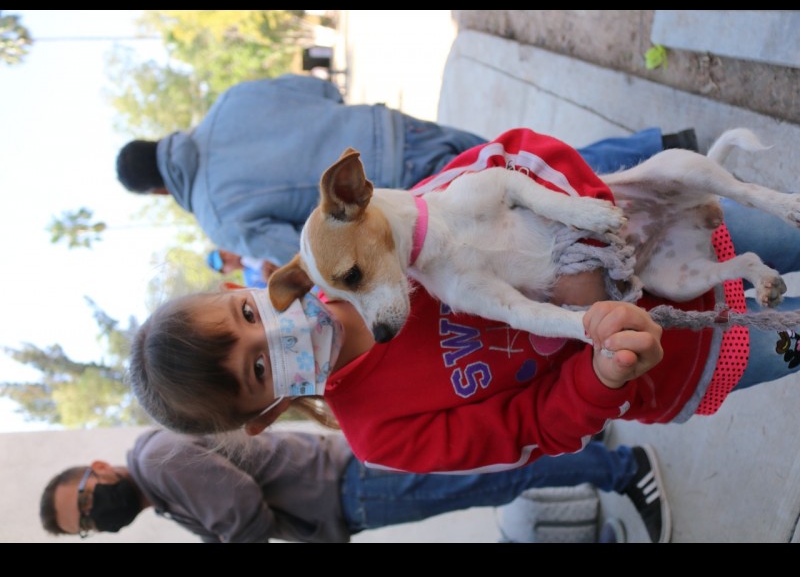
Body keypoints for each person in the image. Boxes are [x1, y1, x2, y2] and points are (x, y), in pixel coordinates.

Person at [126, 128, 800, 536]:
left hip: (682, 229)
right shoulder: (381, 435)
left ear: (242, 290)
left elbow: (514, 161)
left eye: (248, 317)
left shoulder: (369, 239)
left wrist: (586, 244)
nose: (273, 337)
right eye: (257, 370)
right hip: (691, 357)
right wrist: (601, 374)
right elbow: (536, 430)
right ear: (266, 415)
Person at [114, 73, 695, 267]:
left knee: (540, 195)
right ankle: (662, 151)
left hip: (402, 193)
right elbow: (321, 90)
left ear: (160, 191)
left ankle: (673, 181)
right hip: (400, 131)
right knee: (532, 169)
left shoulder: (218, 218)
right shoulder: (229, 102)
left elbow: (316, 250)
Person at [39, 427, 666, 543]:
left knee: (494, 479)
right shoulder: (160, 491)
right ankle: (589, 445)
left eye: (85, 501)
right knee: (488, 470)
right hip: (348, 491)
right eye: (86, 524)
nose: (97, 515)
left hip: (348, 486)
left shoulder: (155, 461)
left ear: (98, 469)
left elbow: (241, 509)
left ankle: (624, 469)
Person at [206, 248, 278, 289]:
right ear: (225, 272)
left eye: (224, 254)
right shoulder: (251, 283)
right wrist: (270, 280)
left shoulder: (249, 246)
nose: (228, 258)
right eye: (224, 262)